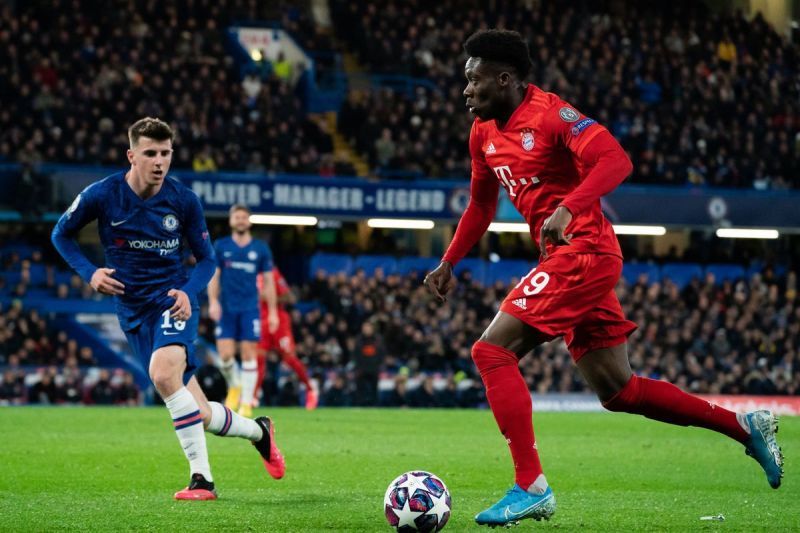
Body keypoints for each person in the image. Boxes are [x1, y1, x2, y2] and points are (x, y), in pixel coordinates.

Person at [423, 30, 784, 527]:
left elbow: (616, 160)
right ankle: (745, 427)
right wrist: (449, 260)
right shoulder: (483, 133)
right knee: (620, 392)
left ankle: (531, 485)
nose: (465, 89)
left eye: (473, 79)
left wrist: (569, 208)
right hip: (569, 260)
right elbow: (482, 204)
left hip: (584, 251)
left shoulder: (551, 114)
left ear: (504, 79)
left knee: (491, 351)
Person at [51, 117, 285, 501]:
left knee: (163, 375)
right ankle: (260, 432)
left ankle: (202, 480)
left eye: (165, 153)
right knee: (201, 413)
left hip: (171, 301)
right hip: (131, 310)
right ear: (132, 156)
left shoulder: (183, 200)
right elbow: (60, 233)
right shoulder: (103, 194)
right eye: (150, 154)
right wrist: (90, 272)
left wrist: (188, 291)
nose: (159, 161)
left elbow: (207, 260)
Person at [207, 204, 279, 418]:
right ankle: (235, 385)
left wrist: (273, 311)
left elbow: (268, 282)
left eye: (244, 217)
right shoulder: (221, 246)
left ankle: (246, 402)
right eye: (237, 217)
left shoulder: (260, 249)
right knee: (225, 355)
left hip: (249, 308)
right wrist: (213, 302)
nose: (240, 220)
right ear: (231, 221)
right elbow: (214, 275)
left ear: (249, 221)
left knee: (249, 354)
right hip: (227, 307)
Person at [256, 266, 318, 410]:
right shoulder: (251, 273)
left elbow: (289, 297)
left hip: (278, 320)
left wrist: (270, 297)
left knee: (289, 358)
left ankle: (311, 388)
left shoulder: (272, 272)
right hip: (260, 320)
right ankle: (252, 398)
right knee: (258, 359)